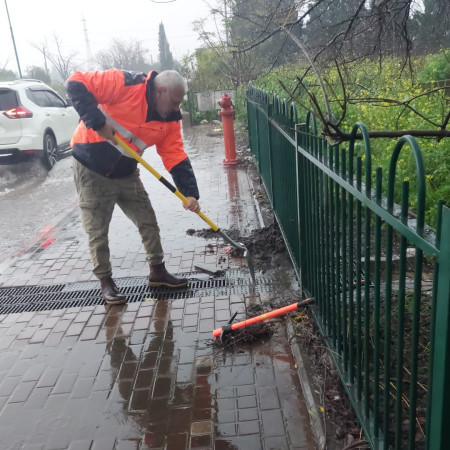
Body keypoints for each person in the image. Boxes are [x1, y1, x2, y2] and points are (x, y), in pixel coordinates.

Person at [66, 69, 200, 305]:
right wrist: (97, 122)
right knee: (97, 231)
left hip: (127, 171)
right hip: (92, 166)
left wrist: (190, 193)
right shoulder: (126, 83)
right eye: (174, 101)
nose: (176, 107)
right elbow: (76, 82)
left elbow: (174, 154)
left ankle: (157, 272)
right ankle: (106, 283)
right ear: (159, 91)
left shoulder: (170, 117)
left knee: (147, 220)